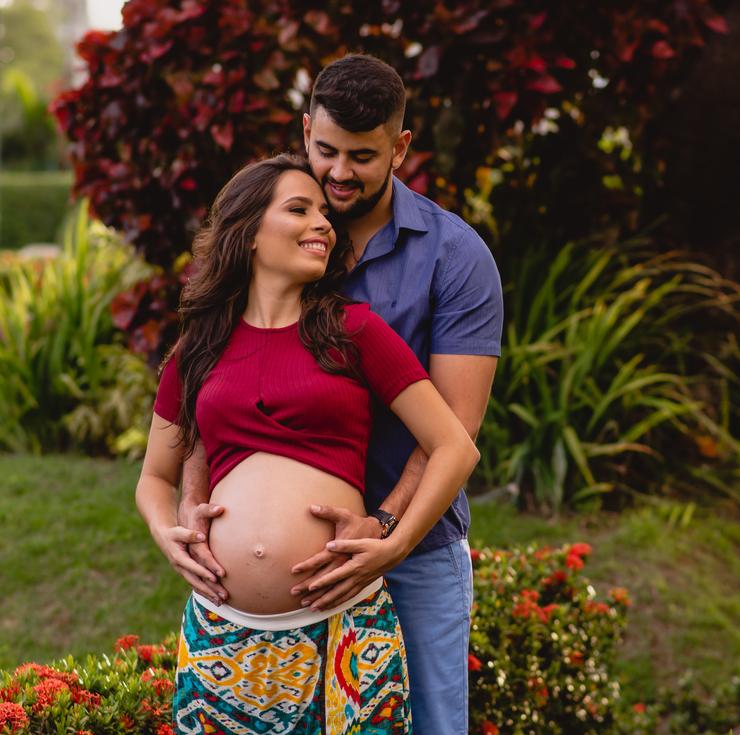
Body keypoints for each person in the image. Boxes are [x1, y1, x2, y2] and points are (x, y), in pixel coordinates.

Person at [162, 54, 505, 735]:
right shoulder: (283, 234)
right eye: (325, 151)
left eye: (362, 156)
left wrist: (385, 535)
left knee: (433, 725)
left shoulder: (455, 258)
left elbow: (452, 435)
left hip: (417, 549)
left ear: (400, 147)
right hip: (269, 590)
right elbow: (216, 379)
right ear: (305, 131)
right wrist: (194, 500)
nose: (339, 173)